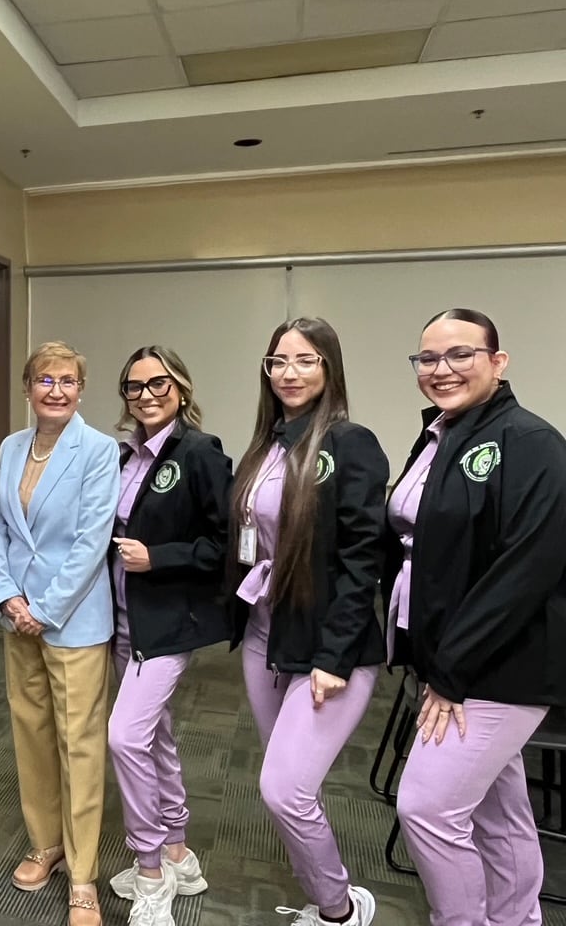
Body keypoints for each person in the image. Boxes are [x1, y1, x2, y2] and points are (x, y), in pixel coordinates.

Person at [386, 309, 566, 926]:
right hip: (449, 659)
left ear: (498, 361)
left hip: (499, 666)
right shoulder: (441, 434)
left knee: (427, 808)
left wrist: (450, 671)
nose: (442, 369)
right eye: (428, 358)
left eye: (460, 354)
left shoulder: (531, 443)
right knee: (497, 810)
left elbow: (524, 572)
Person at [228, 317, 388, 926]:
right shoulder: (266, 445)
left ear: (329, 367)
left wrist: (334, 657)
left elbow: (362, 561)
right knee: (292, 784)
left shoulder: (350, 443)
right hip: (266, 638)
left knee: (284, 789)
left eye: (305, 360)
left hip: (327, 648)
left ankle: (339, 910)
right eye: (278, 362)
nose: (288, 373)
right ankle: (323, 894)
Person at [0, 340, 121, 926]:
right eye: (45, 380)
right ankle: (46, 844)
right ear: (28, 388)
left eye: (68, 381)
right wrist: (7, 595)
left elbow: (92, 542)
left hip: (73, 620)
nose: (57, 390)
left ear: (81, 390)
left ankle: (83, 874)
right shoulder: (11, 447)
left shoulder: (98, 450)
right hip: (17, 618)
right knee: (32, 734)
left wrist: (44, 608)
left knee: (79, 745)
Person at [105, 346, 233, 926]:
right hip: (121, 622)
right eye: (134, 387)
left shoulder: (200, 451)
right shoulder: (123, 455)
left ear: (180, 388)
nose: (146, 395)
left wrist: (158, 557)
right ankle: (180, 850)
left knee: (125, 737)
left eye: (158, 383)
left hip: (166, 625)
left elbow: (227, 545)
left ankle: (151, 871)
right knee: (153, 733)